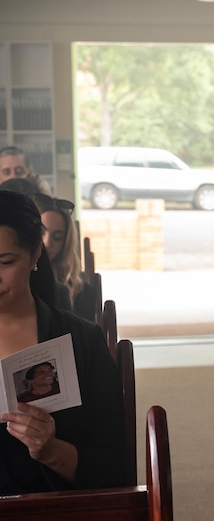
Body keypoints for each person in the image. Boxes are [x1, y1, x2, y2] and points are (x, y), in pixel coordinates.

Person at [0, 190, 125, 494]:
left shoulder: (80, 342)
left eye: (5, 262)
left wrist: (52, 450)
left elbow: (116, 468)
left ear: (34, 256)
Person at [32, 193, 97, 322]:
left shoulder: (82, 292)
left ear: (66, 243)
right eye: (41, 233)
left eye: (57, 237)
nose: (47, 243)